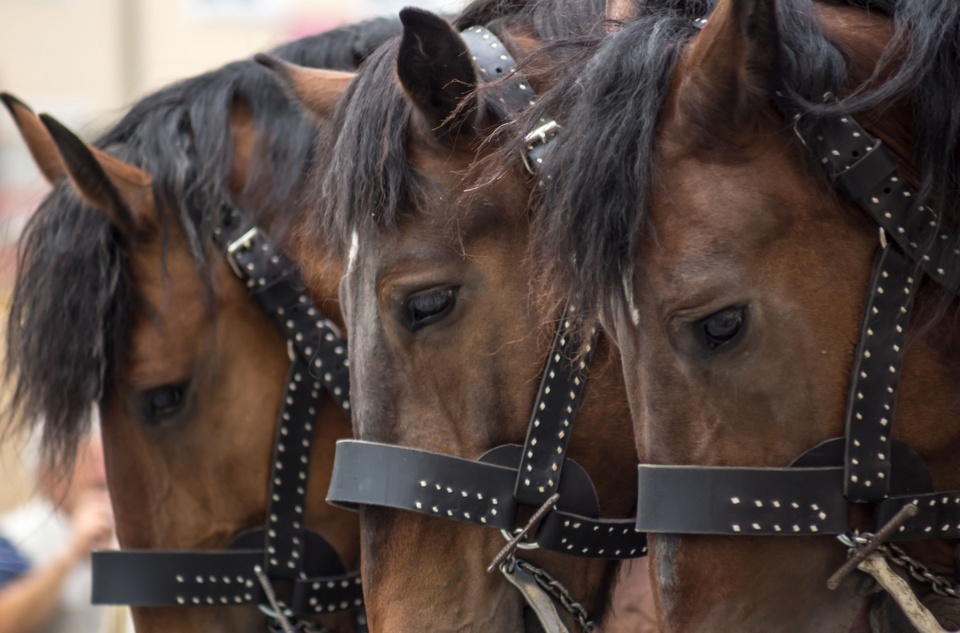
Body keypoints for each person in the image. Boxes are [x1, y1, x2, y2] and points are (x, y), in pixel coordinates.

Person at [0, 431, 116, 633]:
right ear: (50, 476)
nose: (101, 475)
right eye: (88, 462)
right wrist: (71, 554)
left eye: (105, 459)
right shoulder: (15, 536)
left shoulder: (122, 527)